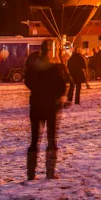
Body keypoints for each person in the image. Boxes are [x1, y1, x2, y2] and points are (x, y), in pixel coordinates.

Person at [25, 40, 67, 180]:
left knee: (34, 139)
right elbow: (63, 85)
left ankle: (31, 173)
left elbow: (28, 82)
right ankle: (50, 172)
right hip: (51, 105)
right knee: (51, 139)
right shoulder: (56, 68)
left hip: (36, 105)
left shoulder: (33, 68)